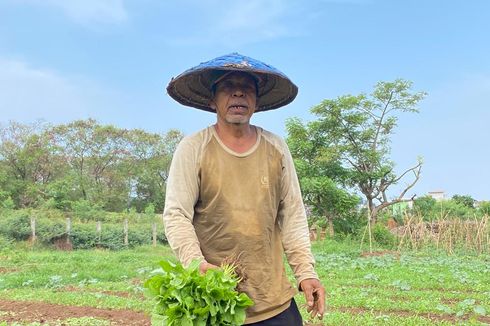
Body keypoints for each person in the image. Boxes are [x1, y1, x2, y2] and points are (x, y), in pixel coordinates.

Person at [163, 53, 325, 325]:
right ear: (212, 99)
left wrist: (306, 273)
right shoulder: (193, 148)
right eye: (228, 86)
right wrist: (195, 262)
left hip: (272, 301)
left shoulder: (276, 148)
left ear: (256, 100)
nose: (239, 93)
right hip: (215, 300)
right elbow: (176, 214)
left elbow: (292, 215)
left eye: (248, 87)